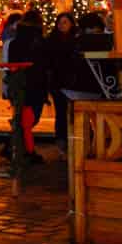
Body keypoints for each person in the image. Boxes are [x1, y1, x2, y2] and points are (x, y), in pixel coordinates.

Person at [6, 10, 48, 162]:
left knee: (22, 118)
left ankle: (15, 147)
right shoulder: (40, 41)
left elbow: (11, 64)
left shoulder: (15, 42)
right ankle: (20, 149)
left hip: (19, 84)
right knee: (31, 118)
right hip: (36, 85)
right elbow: (44, 65)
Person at [42, 12, 81, 152]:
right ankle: (61, 142)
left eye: (65, 22)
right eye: (60, 22)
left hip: (73, 81)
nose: (61, 25)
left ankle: (75, 141)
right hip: (57, 81)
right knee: (61, 112)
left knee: (74, 112)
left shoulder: (77, 40)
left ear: (71, 24)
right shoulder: (51, 40)